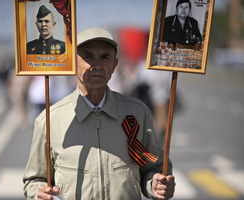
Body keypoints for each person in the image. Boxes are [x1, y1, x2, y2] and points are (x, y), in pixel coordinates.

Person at [23, 27, 175, 200]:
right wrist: (39, 193)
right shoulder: (49, 120)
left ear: (114, 65)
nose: (96, 65)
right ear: (72, 63)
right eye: (88, 56)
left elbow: (153, 167)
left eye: (105, 57)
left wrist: (156, 185)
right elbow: (34, 180)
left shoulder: (137, 113)